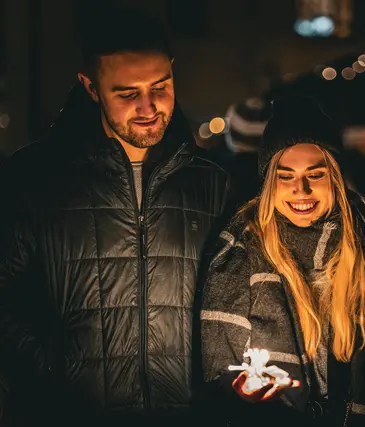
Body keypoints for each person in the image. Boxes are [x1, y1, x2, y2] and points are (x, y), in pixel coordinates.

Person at [0, 7, 227, 427]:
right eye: (126, 93)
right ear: (89, 86)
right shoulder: (33, 180)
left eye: (161, 86)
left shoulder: (213, 185)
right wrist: (50, 372)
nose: (148, 106)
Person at [200, 96, 365, 426]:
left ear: (335, 177)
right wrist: (241, 394)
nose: (300, 190)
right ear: (269, 183)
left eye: (315, 175)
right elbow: (218, 373)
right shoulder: (240, 254)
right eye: (285, 176)